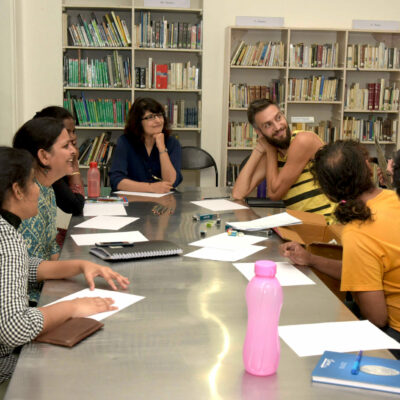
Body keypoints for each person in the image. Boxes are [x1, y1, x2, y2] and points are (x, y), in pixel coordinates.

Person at [0, 147, 129, 385]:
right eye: (31, 182)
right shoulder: (6, 238)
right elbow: (14, 328)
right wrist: (73, 306)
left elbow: (22, 268)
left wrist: (79, 265)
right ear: (17, 191)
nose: (37, 190)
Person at [281, 141, 400, 358]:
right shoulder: (392, 198)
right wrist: (311, 259)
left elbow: (377, 317)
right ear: (367, 166)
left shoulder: (358, 230)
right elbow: (364, 270)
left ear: (328, 193)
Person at [232, 99, 335, 222]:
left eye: (278, 118)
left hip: (328, 225)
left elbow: (275, 194)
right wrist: (259, 149)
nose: (278, 127)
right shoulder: (275, 152)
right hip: (303, 227)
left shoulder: (303, 141)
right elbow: (238, 193)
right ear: (259, 132)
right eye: (268, 125)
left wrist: (269, 150)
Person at [13, 117, 76, 262]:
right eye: (66, 146)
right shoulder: (26, 199)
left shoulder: (47, 188)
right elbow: (29, 268)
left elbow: (51, 248)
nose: (73, 151)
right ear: (43, 156)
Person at [109, 97, 182, 193]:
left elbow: (171, 182)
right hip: (133, 202)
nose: (158, 121)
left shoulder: (172, 143)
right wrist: (151, 188)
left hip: (163, 204)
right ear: (138, 122)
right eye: (151, 117)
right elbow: (116, 181)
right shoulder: (125, 142)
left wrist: (162, 148)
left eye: (159, 115)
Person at [34, 106, 85, 216]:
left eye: (73, 131)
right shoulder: (43, 172)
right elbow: (75, 206)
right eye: (67, 132)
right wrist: (74, 163)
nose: (73, 137)